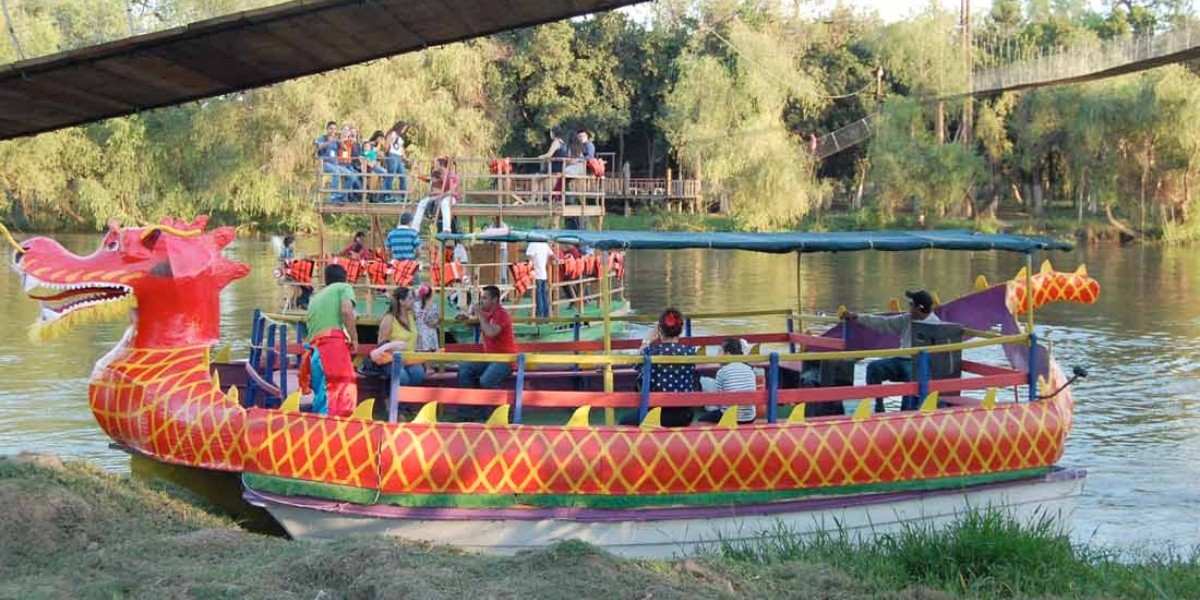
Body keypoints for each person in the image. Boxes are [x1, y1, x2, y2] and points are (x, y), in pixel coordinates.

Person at [841, 289, 942, 412]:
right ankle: (878, 408)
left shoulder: (936, 325)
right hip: (901, 359)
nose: (909, 308)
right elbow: (883, 323)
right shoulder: (907, 319)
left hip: (919, 364)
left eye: (911, 305)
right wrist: (857, 317)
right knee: (874, 368)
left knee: (913, 376)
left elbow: (939, 356)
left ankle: (906, 412)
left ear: (919, 309)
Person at [623, 308, 696, 428]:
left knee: (624, 421)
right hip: (684, 415)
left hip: (655, 415)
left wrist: (647, 341)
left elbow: (634, 363)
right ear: (681, 330)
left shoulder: (651, 351)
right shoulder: (690, 352)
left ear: (660, 330)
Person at [305, 264, 359, 418]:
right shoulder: (343, 287)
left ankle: (318, 429)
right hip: (331, 346)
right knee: (341, 391)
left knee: (323, 394)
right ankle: (336, 430)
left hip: (315, 350)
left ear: (326, 280)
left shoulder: (315, 298)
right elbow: (346, 311)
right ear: (345, 278)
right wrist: (355, 339)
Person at [457, 285, 517, 391]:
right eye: (481, 298)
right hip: (490, 358)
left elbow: (490, 332)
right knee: (464, 367)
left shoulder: (501, 314)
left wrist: (479, 313)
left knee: (486, 381)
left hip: (505, 360)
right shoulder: (489, 314)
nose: (481, 301)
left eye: (484, 298)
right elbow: (474, 326)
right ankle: (469, 404)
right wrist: (465, 318)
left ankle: (501, 404)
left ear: (494, 300)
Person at [362, 287, 426, 386]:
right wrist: (394, 345)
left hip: (411, 358)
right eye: (410, 298)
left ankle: (407, 399)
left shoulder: (411, 316)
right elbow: (381, 344)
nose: (413, 301)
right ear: (401, 301)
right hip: (391, 359)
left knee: (418, 374)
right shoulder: (389, 318)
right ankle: (397, 399)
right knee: (402, 376)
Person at [699, 338, 758, 424]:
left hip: (730, 417)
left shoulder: (722, 371)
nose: (717, 355)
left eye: (720, 352)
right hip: (750, 417)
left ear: (728, 354)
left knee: (703, 419)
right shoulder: (749, 369)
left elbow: (719, 402)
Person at [412, 156, 460, 233]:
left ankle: (446, 229)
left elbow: (451, 191)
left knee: (444, 203)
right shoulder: (439, 175)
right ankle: (414, 228)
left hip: (451, 197)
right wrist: (417, 176)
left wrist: (440, 195)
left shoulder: (453, 176)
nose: (433, 165)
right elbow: (429, 179)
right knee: (422, 202)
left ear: (440, 165)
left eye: (435, 164)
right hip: (440, 196)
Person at [315, 120, 352, 203]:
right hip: (324, 163)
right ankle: (334, 198)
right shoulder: (322, 138)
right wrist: (331, 141)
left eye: (334, 129)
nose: (333, 131)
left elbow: (345, 149)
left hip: (335, 164)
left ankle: (341, 196)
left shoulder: (337, 140)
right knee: (336, 172)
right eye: (331, 129)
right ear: (327, 129)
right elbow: (319, 147)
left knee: (351, 176)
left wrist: (341, 143)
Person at [526, 240, 554, 318]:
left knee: (538, 295)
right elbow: (552, 255)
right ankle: (546, 314)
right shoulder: (544, 244)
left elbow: (529, 257)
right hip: (543, 274)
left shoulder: (532, 243)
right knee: (544, 294)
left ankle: (539, 315)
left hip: (536, 274)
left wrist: (530, 266)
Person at [384, 121, 409, 201]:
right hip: (392, 155)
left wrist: (405, 157)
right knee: (391, 176)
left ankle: (403, 196)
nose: (404, 130)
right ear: (400, 127)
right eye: (404, 128)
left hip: (399, 157)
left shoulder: (401, 137)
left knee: (403, 176)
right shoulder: (392, 133)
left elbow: (401, 148)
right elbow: (387, 145)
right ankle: (388, 195)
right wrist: (386, 153)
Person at [414, 284, 441, 353]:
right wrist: (436, 321)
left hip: (420, 332)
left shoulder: (415, 305)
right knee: (430, 354)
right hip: (431, 332)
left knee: (422, 354)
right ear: (431, 295)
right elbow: (437, 318)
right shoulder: (434, 306)